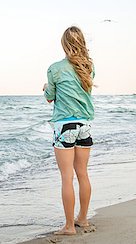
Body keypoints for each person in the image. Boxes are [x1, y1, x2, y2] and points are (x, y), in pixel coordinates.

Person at [42, 26, 95, 235]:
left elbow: (49, 97)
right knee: (82, 174)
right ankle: (83, 218)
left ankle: (69, 226)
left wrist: (46, 87)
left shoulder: (55, 69)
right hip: (85, 125)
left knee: (67, 177)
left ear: (64, 44)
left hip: (65, 126)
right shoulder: (88, 66)